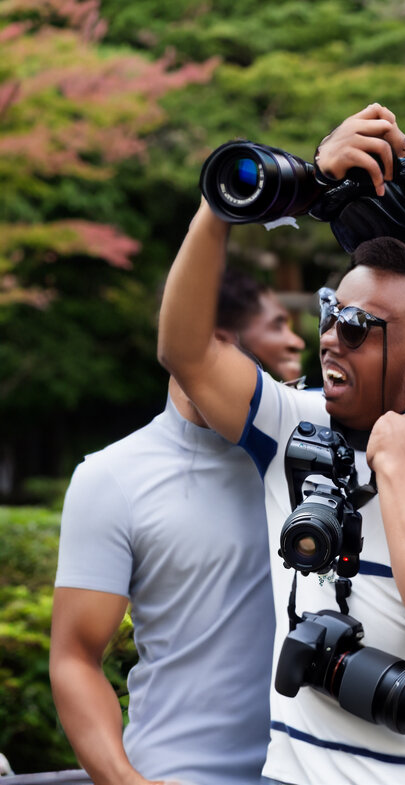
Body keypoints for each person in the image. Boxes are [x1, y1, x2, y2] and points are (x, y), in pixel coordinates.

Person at [156, 103, 405, 785]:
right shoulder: (295, 421)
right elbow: (183, 349)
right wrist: (229, 203)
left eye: (358, 326)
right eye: (330, 311)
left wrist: (393, 464)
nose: (329, 336)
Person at [50, 268, 306, 785]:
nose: (294, 340)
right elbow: (75, 657)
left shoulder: (322, 451)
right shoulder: (111, 476)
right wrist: (122, 779)